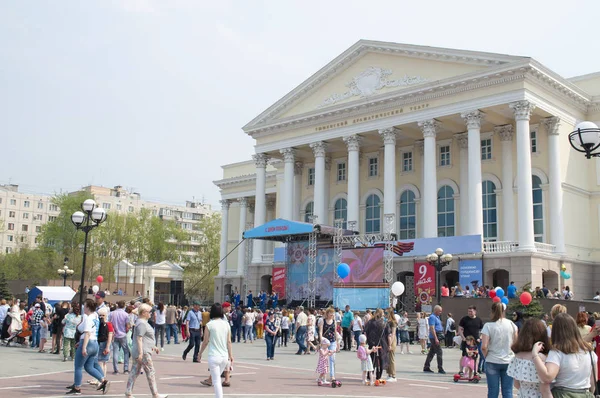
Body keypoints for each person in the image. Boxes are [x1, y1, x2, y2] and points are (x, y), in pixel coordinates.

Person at [532, 313, 598, 396]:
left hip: (563, 393)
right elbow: (593, 380)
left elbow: (547, 377)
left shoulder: (557, 352)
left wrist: (535, 355)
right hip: (584, 393)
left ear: (556, 331)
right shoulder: (589, 352)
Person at [65, 299, 110, 395]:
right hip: (95, 343)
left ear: (88, 307)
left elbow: (87, 333)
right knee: (89, 366)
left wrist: (83, 346)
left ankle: (77, 387)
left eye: (84, 306)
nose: (83, 308)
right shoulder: (96, 317)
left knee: (78, 366)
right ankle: (103, 380)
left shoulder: (89, 318)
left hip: (88, 342)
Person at [507, 318, 552, 398]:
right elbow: (545, 387)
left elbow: (516, 383)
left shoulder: (517, 356)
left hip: (522, 394)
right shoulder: (541, 357)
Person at [125, 303, 162, 398]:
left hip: (142, 350)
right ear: (144, 313)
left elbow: (145, 338)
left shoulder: (140, 322)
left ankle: (128, 392)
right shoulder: (142, 323)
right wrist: (141, 352)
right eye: (149, 312)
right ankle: (155, 394)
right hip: (144, 352)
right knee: (150, 371)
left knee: (135, 371)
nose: (151, 314)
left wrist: (153, 346)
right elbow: (139, 338)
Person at [482, 302, 518, 398]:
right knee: (507, 391)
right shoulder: (512, 324)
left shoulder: (488, 326)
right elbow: (516, 344)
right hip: (508, 360)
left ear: (492, 311)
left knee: (493, 391)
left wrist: (486, 356)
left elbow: (484, 346)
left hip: (492, 360)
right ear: (504, 311)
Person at [198, 303, 234, 398]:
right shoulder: (226, 324)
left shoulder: (209, 325)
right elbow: (229, 341)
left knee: (217, 381)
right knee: (217, 380)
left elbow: (205, 341)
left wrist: (200, 353)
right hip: (224, 356)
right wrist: (230, 355)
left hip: (214, 356)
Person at [364, 308, 389, 382]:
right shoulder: (384, 323)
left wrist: (366, 341)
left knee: (371, 359)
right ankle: (379, 376)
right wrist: (389, 344)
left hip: (371, 343)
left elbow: (365, 332)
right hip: (382, 343)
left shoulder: (370, 322)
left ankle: (369, 375)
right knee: (381, 359)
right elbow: (388, 334)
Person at [458, 306, 484, 374]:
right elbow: (460, 329)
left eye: (471, 311)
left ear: (475, 312)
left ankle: (475, 370)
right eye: (468, 311)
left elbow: (483, 330)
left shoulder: (478, 320)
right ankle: (461, 370)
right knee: (464, 355)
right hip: (467, 341)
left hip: (475, 341)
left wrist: (480, 337)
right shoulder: (464, 319)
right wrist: (463, 337)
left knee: (475, 356)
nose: (469, 313)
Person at [319, 308, 340, 384]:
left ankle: (332, 376)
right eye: (331, 313)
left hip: (332, 341)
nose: (332, 315)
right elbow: (320, 331)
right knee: (324, 359)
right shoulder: (323, 321)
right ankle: (322, 376)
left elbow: (335, 332)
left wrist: (337, 343)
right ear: (327, 314)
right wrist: (321, 340)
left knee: (332, 359)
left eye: (333, 313)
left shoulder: (334, 322)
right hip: (325, 342)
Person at [110, 300, 131, 374]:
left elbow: (110, 324)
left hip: (114, 334)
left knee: (115, 352)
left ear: (117, 305)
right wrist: (126, 331)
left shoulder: (112, 313)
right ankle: (125, 369)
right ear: (124, 306)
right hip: (123, 334)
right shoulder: (126, 314)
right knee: (126, 351)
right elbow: (128, 325)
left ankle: (116, 369)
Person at [423, 306, 445, 374]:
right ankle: (440, 368)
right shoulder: (432, 317)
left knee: (432, 352)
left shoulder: (437, 317)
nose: (440, 313)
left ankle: (426, 366)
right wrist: (436, 338)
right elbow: (432, 328)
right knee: (439, 352)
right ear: (435, 310)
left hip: (438, 334)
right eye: (439, 311)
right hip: (435, 336)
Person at [97, 307, 114, 379]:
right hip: (100, 343)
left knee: (101, 362)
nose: (101, 317)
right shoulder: (99, 323)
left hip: (104, 343)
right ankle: (101, 377)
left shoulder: (108, 324)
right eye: (100, 315)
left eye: (103, 315)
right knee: (102, 362)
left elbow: (110, 335)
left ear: (106, 315)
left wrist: (107, 346)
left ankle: (101, 378)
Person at [386, 307, 398, 382]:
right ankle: (389, 373)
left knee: (391, 358)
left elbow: (393, 333)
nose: (385, 314)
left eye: (386, 313)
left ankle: (393, 375)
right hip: (387, 339)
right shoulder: (387, 321)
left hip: (392, 340)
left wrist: (390, 344)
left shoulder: (393, 322)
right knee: (387, 357)